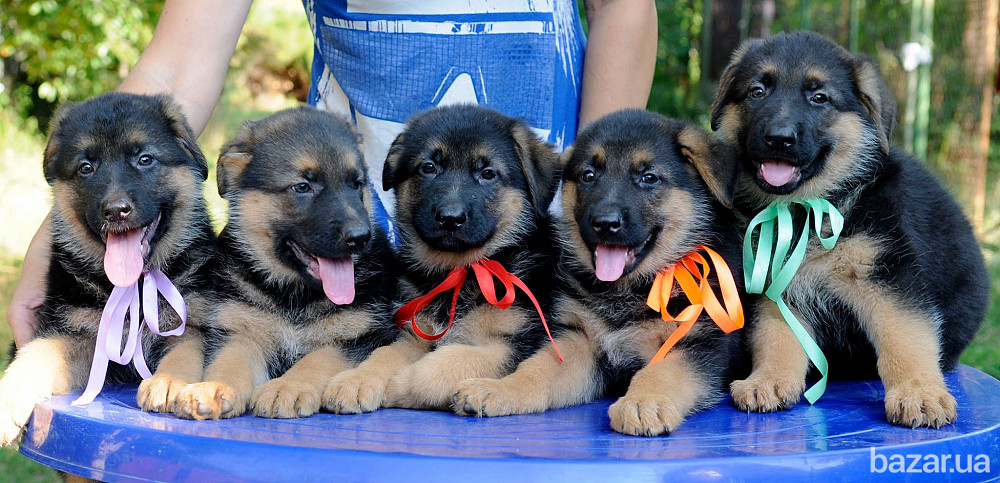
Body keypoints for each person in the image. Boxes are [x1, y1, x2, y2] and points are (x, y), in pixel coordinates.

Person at [7, 0, 656, 348]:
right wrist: (57, 242)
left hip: (529, 261)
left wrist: (597, 206)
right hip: (335, 265)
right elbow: (175, 68)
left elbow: (622, 6)